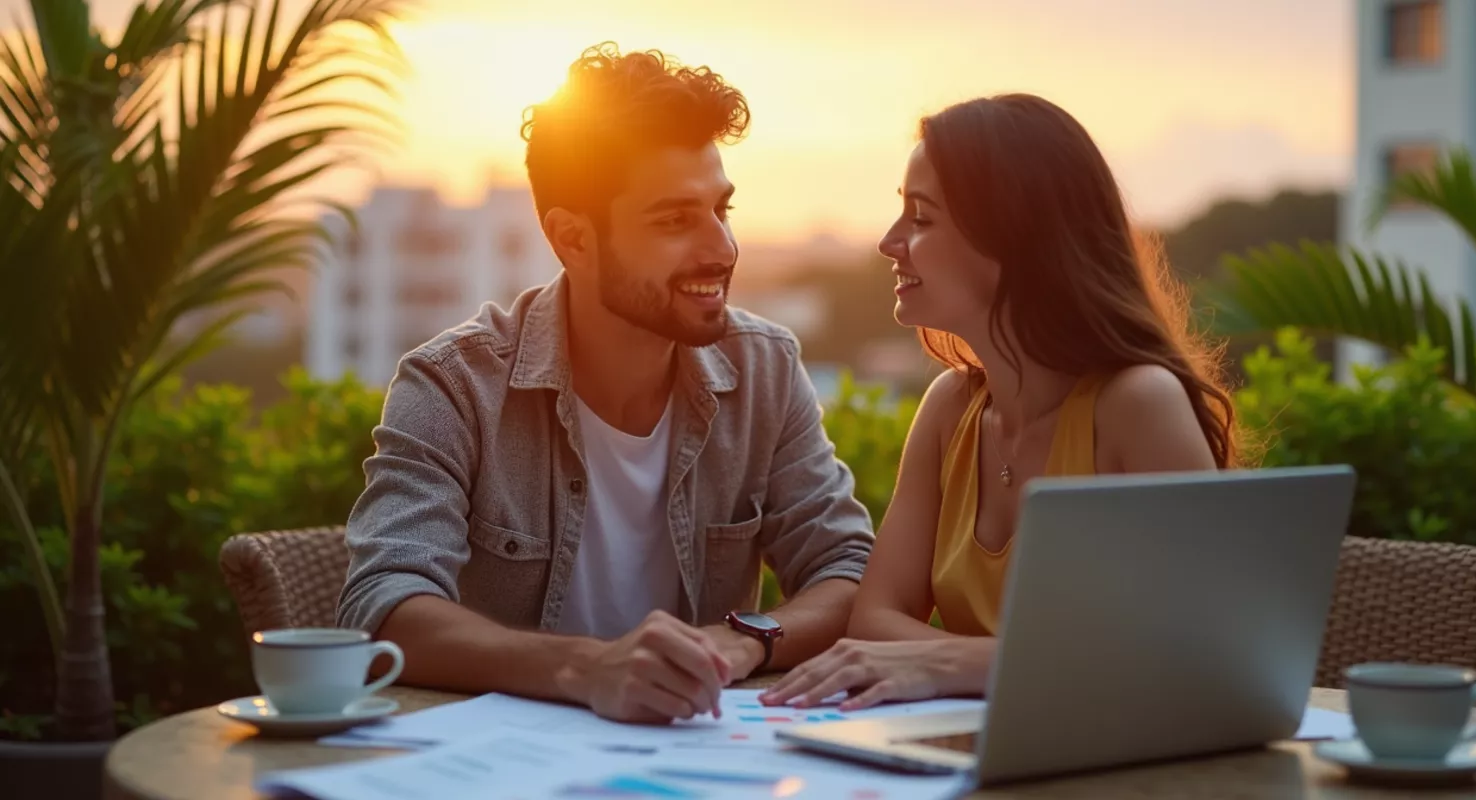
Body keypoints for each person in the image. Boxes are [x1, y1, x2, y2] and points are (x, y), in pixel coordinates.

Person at [336, 43, 876, 725]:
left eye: (722, 210)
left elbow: (847, 570)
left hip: (694, 756)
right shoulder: (454, 386)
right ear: (573, 239)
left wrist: (742, 642)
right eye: (675, 220)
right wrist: (585, 669)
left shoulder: (764, 369)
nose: (722, 248)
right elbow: (382, 606)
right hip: (497, 759)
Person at [759, 93, 1241, 711]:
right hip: (971, 744)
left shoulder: (1137, 404)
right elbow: (874, 622)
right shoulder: (950, 409)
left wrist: (948, 662)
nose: (888, 241)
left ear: (1013, 237)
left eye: (921, 218)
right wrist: (1015, 666)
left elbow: (1194, 652)